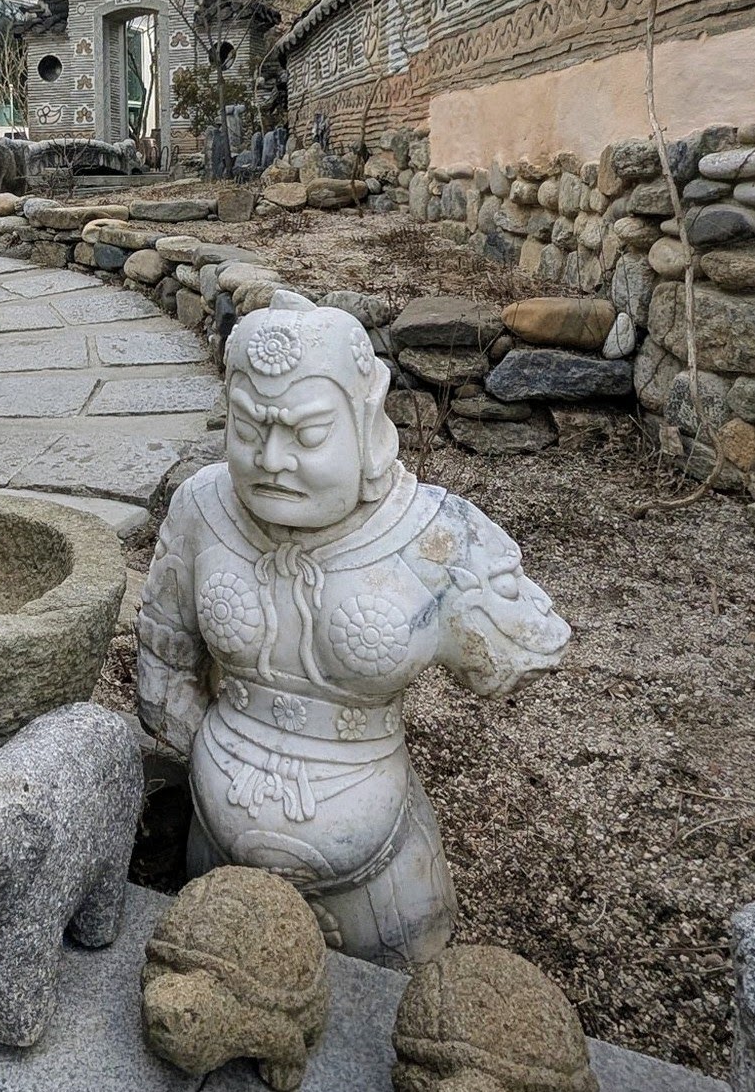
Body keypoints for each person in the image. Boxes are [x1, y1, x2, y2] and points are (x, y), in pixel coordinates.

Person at [136, 289, 570, 969]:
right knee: (211, 992)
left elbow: (514, 652)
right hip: (216, 839)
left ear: (366, 423)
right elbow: (162, 657)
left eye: (307, 435)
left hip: (381, 868)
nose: (270, 459)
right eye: (248, 429)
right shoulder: (202, 509)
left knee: (391, 1008)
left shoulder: (434, 535)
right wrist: (212, 761)